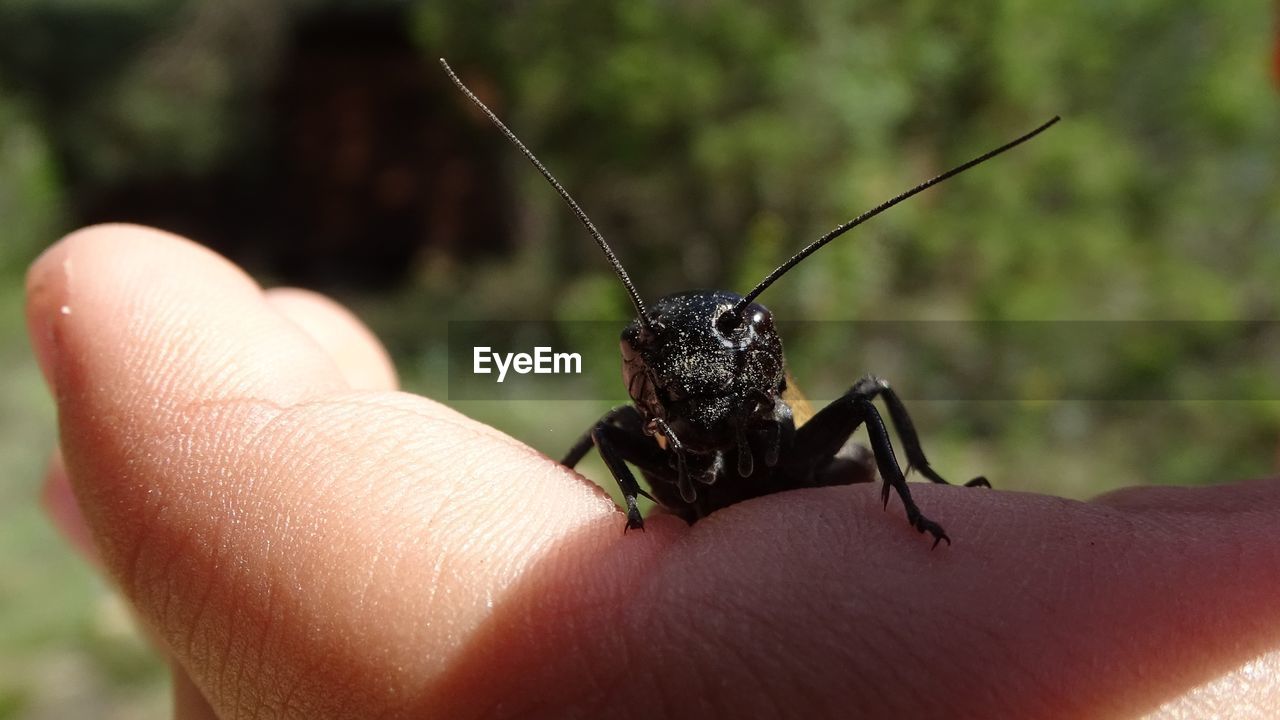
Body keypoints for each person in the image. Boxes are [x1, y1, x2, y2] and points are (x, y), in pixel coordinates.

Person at [27, 224, 1280, 719]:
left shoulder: (789, 410)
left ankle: (914, 487)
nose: (686, 374)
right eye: (658, 362)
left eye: (723, 346)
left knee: (879, 407)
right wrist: (618, 500)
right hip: (698, 507)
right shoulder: (644, 425)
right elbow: (619, 445)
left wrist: (919, 491)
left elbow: (863, 410)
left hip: (796, 486)